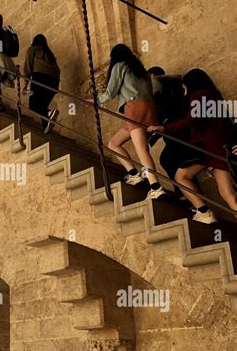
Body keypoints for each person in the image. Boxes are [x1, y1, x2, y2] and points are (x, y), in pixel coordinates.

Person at [149, 69, 237, 223]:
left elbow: (192, 120)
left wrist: (165, 128)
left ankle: (204, 212)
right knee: (183, 176)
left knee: (227, 195)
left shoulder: (200, 95)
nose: (184, 90)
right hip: (214, 152)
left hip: (215, 151)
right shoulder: (212, 96)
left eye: (185, 86)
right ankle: (203, 211)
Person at [91, 44, 166, 200]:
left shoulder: (120, 65)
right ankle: (133, 173)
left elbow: (110, 93)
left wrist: (96, 100)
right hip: (149, 109)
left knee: (141, 150)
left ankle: (156, 187)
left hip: (133, 108)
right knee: (114, 143)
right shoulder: (141, 71)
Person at [147, 67, 190, 199]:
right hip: (174, 133)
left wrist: (154, 135)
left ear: (153, 76)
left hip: (179, 133)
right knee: (172, 160)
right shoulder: (169, 89)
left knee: (173, 160)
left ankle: (186, 195)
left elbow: (169, 115)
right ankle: (184, 194)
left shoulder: (166, 91)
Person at [22, 34, 60, 133]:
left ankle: (49, 113)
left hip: (40, 78)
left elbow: (28, 67)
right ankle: (46, 129)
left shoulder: (33, 49)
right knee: (42, 106)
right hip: (54, 82)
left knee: (33, 105)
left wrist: (25, 84)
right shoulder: (49, 54)